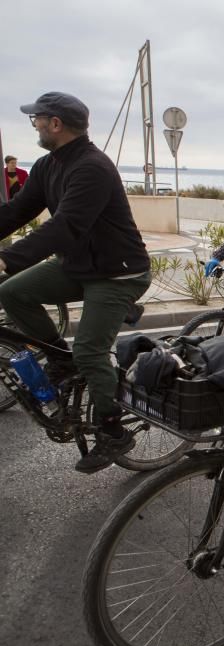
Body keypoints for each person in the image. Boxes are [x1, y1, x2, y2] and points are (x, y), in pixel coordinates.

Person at [0, 92, 151, 473]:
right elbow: (16, 212)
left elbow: (64, 227)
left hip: (117, 272)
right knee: (12, 292)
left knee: (89, 351)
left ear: (56, 124)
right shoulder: (47, 165)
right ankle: (58, 358)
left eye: (37, 118)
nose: (33, 124)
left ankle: (114, 431)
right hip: (79, 265)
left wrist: (6, 258)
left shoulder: (92, 168)